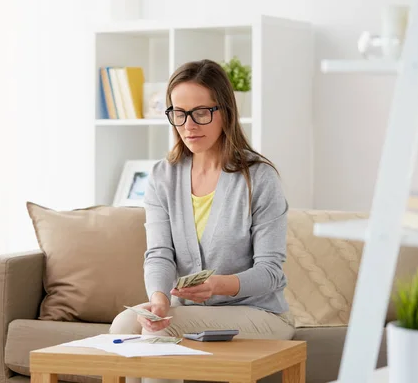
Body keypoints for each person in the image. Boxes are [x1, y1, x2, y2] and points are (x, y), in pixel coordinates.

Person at [110, 59, 294, 382]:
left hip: (260, 314)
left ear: (225, 112)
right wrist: (159, 302)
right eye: (178, 113)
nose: (189, 125)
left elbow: (270, 273)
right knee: (126, 325)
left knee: (163, 335)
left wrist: (219, 286)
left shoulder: (259, 178)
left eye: (201, 112)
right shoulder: (162, 177)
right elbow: (159, 255)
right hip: (192, 312)